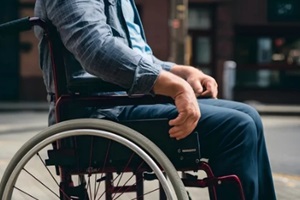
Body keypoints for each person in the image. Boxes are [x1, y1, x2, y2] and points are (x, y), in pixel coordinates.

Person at [34, 0, 276, 199]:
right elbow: (96, 49)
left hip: (124, 102)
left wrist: (182, 72)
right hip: (98, 113)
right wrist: (175, 88)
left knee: (249, 117)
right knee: (236, 127)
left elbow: (136, 58)